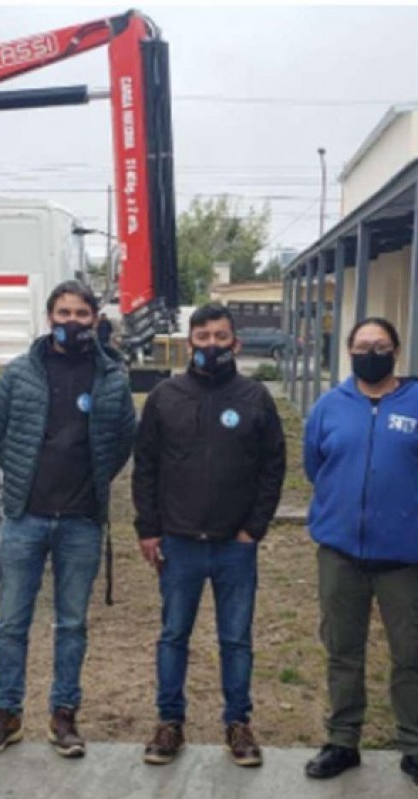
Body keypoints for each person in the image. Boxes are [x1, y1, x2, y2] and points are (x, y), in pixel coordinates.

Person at [0, 280, 137, 759]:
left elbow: (123, 438)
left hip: (82, 522)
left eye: (81, 313)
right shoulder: (21, 373)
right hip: (25, 517)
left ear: (95, 320)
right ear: (49, 318)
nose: (72, 321)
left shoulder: (112, 377)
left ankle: (64, 716)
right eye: (63, 312)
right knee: (11, 623)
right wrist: (23, 479)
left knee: (71, 625)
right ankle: (5, 715)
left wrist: (95, 481)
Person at [300, 317, 418, 792]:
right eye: (364, 345)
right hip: (341, 552)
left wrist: (414, 508)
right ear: (350, 351)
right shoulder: (329, 406)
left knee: (412, 653)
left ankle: (416, 749)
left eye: (382, 345)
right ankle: (342, 741)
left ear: (396, 350)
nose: (373, 352)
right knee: (342, 651)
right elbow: (316, 466)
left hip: (404, 557)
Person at [133, 303, 286, 767]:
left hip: (233, 546)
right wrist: (148, 529)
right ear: (189, 343)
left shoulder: (255, 398)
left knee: (235, 639)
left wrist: (253, 529)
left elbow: (273, 467)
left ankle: (237, 725)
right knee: (173, 635)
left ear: (235, 343)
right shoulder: (164, 397)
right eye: (203, 338)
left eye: (221, 337)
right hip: (178, 544)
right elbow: (146, 467)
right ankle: (169, 723)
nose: (212, 346)